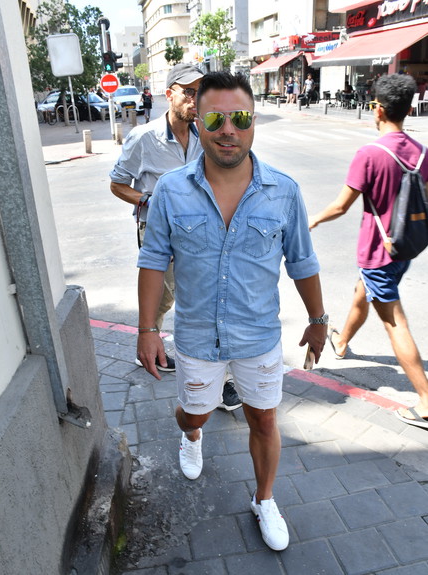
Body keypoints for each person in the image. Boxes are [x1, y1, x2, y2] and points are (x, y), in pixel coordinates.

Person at [136, 71, 327, 550]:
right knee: (194, 415)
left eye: (240, 118)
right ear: (197, 122)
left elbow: (303, 262)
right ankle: (191, 435)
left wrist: (318, 320)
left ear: (254, 122)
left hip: (258, 337)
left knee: (264, 420)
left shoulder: (284, 192)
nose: (228, 130)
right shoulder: (170, 191)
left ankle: (264, 499)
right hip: (197, 338)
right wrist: (147, 329)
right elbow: (153, 260)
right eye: (215, 119)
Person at [109, 63, 241, 409]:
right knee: (167, 296)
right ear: (169, 94)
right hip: (158, 232)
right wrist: (150, 201)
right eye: (188, 92)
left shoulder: (205, 134)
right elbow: (117, 184)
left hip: (200, 233)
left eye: (201, 92)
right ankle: (150, 341)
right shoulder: (144, 138)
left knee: (207, 299)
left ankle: (221, 381)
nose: (196, 99)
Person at [309, 73, 428, 430]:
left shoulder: (370, 154)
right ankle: (342, 341)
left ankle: (425, 400)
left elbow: (341, 206)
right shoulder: (422, 153)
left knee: (394, 322)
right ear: (408, 109)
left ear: (377, 109)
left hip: (379, 252)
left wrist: (312, 220)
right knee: (364, 292)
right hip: (406, 247)